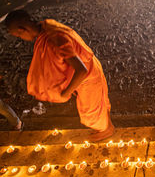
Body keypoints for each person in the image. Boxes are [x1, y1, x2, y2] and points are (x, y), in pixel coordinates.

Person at [4, 10, 114, 141]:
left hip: (88, 76)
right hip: (83, 73)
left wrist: (66, 92)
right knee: (95, 106)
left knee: (91, 113)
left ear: (22, 29)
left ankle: (107, 130)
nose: (21, 38)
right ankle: (105, 127)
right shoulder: (47, 27)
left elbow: (82, 70)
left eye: (18, 35)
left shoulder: (56, 39)